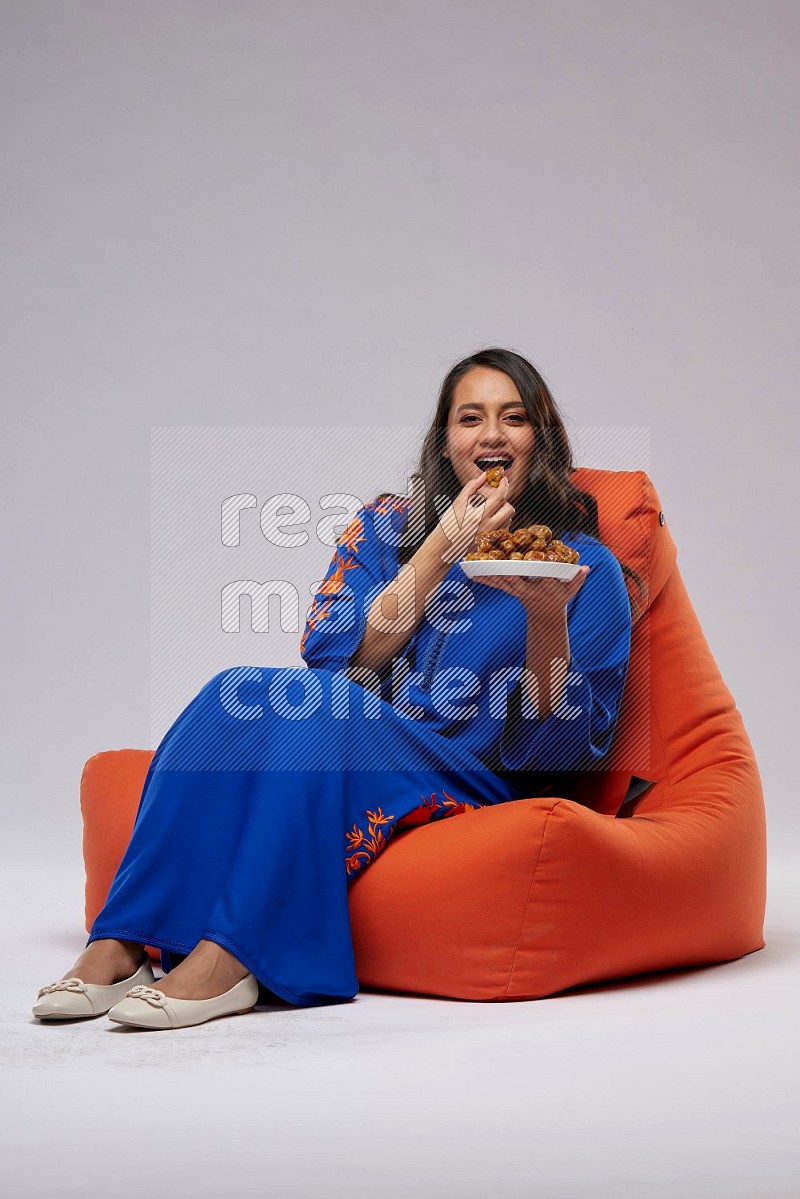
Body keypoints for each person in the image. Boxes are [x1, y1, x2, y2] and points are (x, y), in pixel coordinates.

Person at [32, 347, 635, 1030]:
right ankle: (121, 941)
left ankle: (238, 955)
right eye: (471, 418)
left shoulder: (582, 565)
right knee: (235, 688)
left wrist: (545, 616)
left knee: (330, 706)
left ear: (541, 439)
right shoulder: (387, 528)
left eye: (514, 417)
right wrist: (441, 546)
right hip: (363, 739)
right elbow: (334, 654)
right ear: (447, 441)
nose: (491, 434)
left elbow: (558, 751)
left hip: (480, 777)